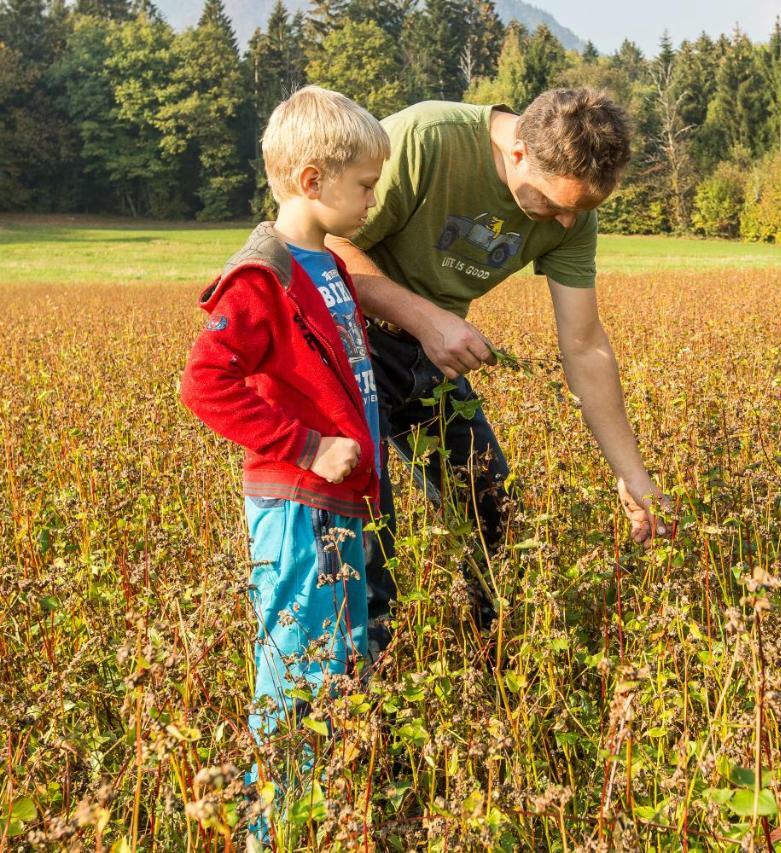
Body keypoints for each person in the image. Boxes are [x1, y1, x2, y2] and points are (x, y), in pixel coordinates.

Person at [326, 88, 671, 653]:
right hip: (346, 345)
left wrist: (631, 474)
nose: (564, 221)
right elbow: (325, 243)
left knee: (493, 513)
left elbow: (584, 345)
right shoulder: (427, 138)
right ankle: (363, 708)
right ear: (517, 153)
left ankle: (496, 671)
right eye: (552, 205)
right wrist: (426, 318)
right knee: (366, 535)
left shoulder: (571, 212)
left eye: (580, 210)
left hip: (430, 355)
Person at [178, 86, 388, 811]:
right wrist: (305, 445)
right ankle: (275, 823)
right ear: (312, 181)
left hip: (337, 503)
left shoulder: (327, 264)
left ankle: (321, 807)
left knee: (340, 660)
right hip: (298, 505)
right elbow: (204, 384)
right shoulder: (264, 276)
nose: (371, 201)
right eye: (364, 185)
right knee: (299, 666)